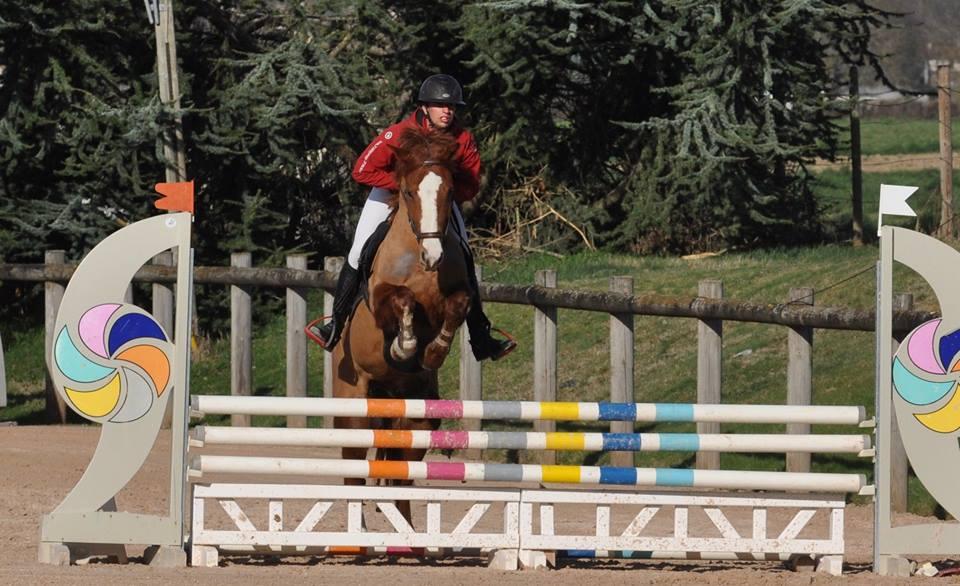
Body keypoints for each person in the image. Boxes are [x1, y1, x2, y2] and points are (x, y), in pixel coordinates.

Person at [309, 73, 516, 362]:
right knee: (357, 251)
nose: (447, 111)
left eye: (452, 106)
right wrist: (407, 186)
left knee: (465, 254)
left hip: (435, 199)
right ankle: (335, 324)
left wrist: (438, 191)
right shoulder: (399, 133)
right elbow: (361, 170)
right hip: (389, 194)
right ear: (424, 107)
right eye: (440, 105)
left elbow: (471, 184)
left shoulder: (463, 138)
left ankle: (481, 336)